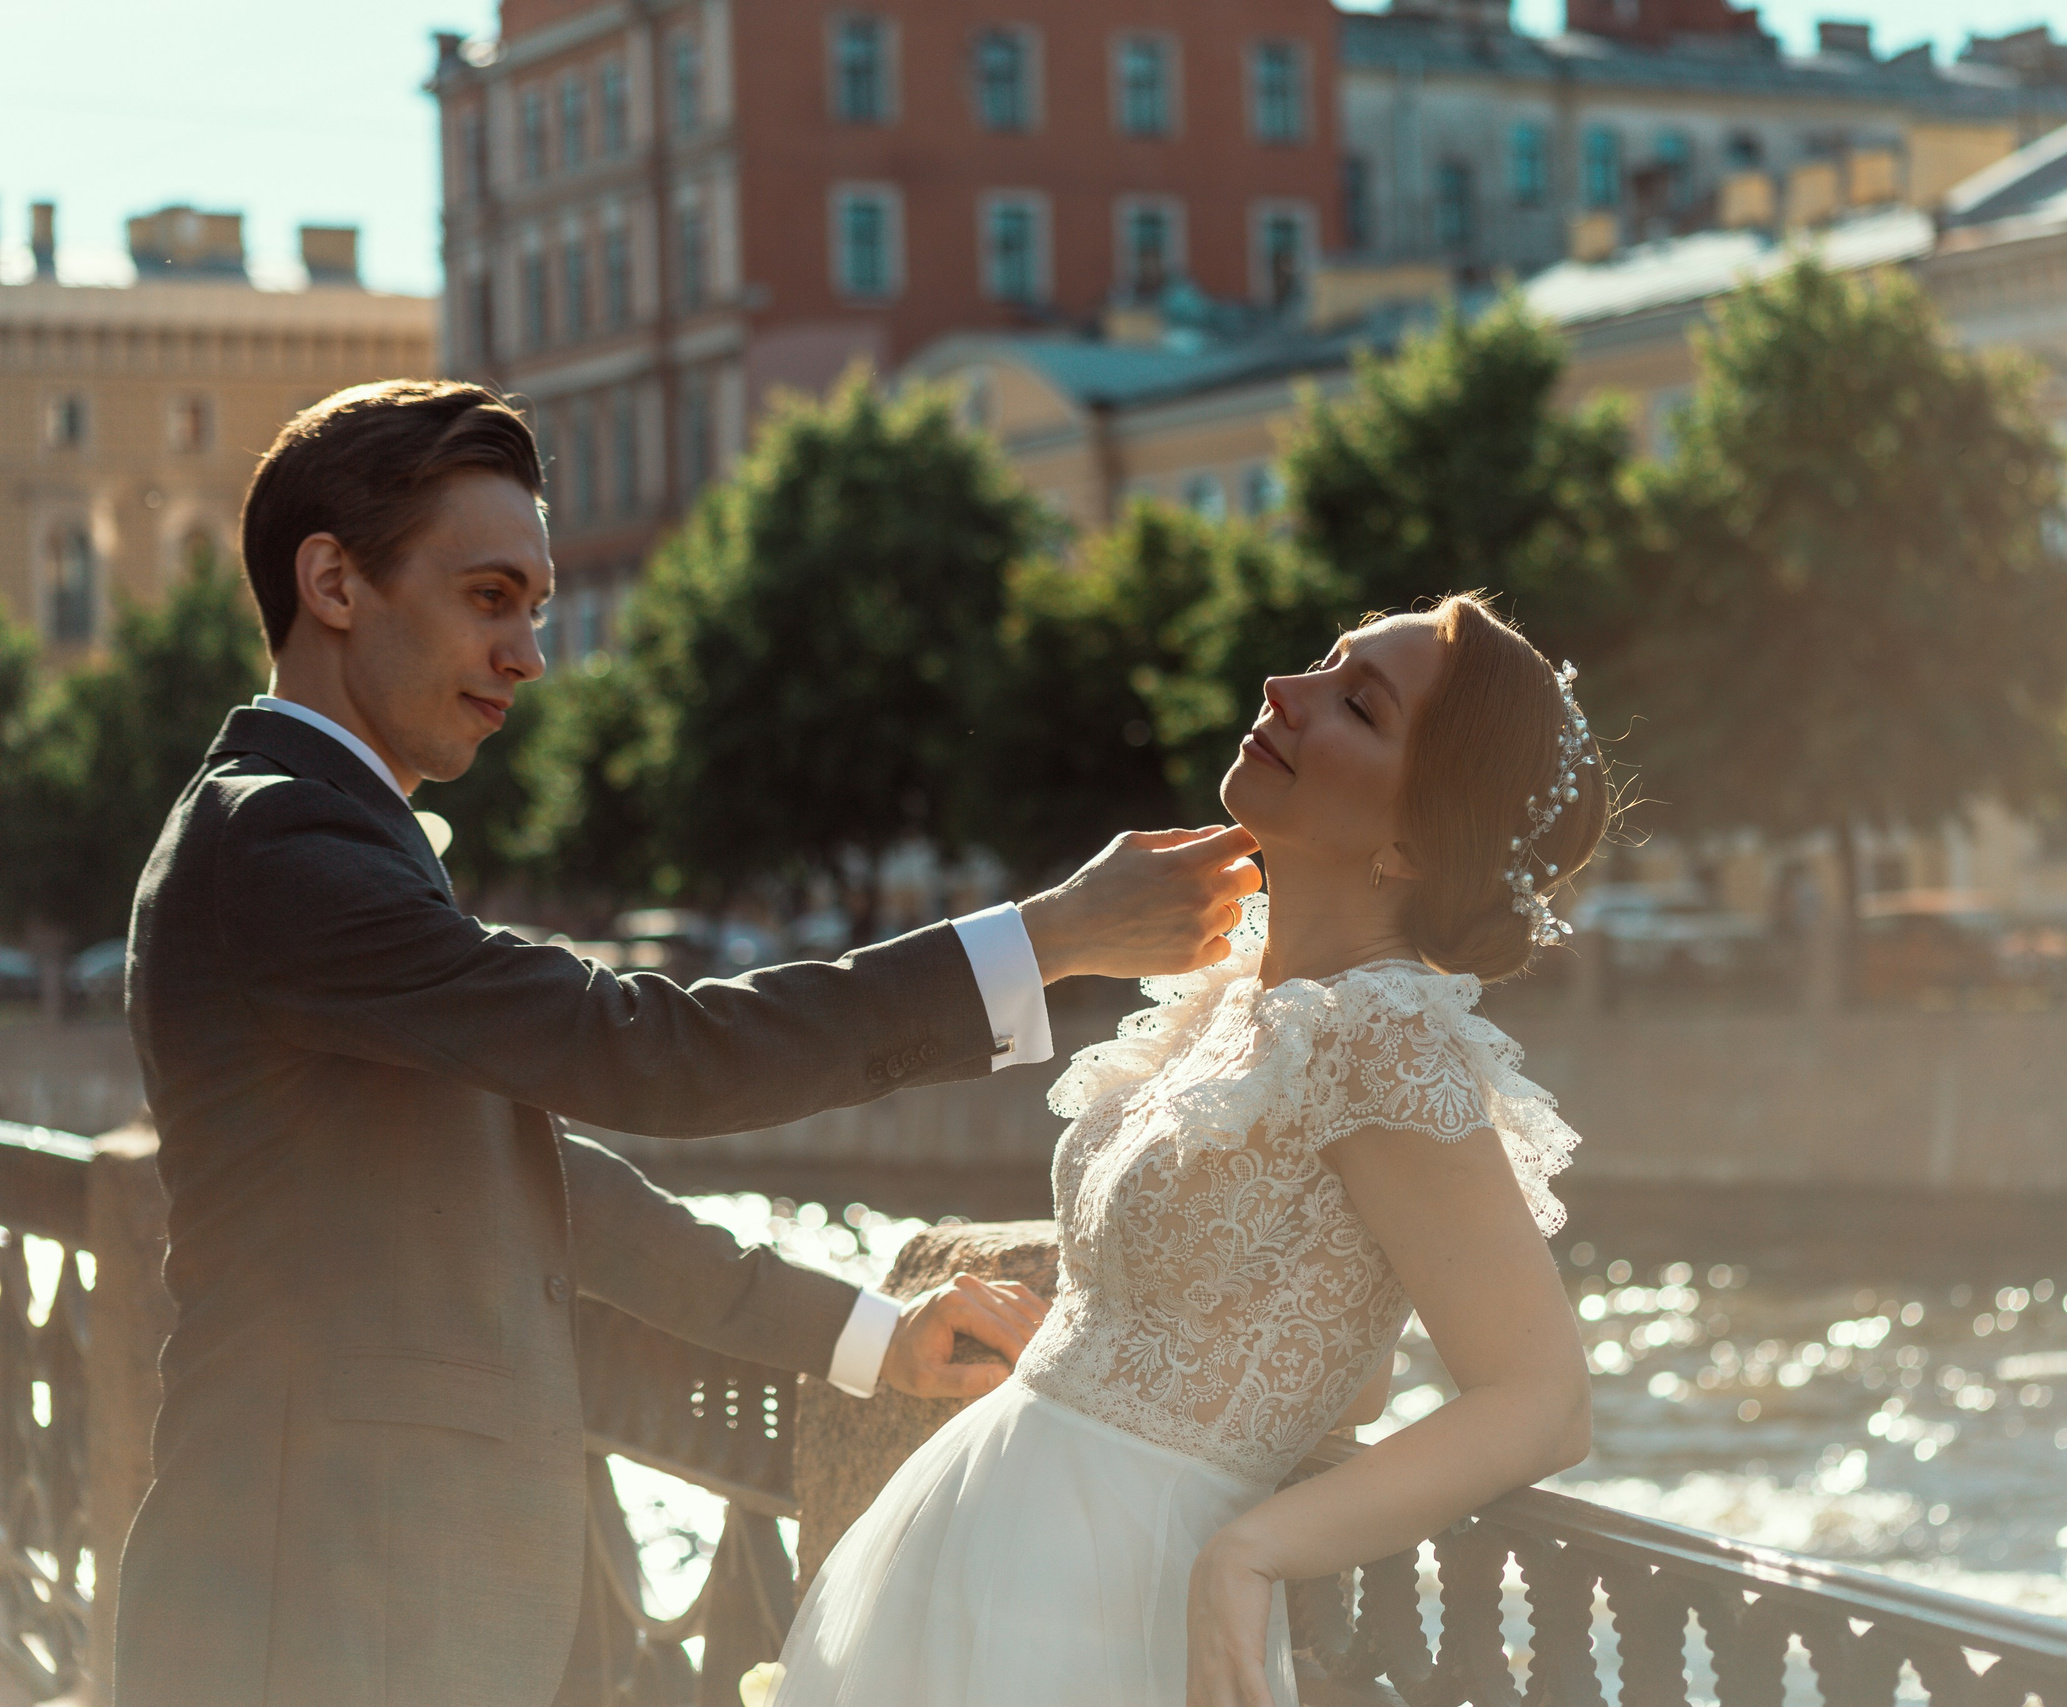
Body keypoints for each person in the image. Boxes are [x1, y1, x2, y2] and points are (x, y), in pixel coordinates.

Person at [115, 380, 1260, 1707]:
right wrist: (1047, 935)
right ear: (334, 581)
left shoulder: (314, 835)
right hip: (312, 1618)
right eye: (490, 595)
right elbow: (654, 1049)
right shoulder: (281, 843)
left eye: (538, 606)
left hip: (370, 1601)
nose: (532, 653)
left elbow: (550, 1193)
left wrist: (868, 1331)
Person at [769, 594, 1606, 1707]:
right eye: (1323, 661)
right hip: (991, 1524)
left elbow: (1543, 1399)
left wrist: (1256, 1549)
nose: (1285, 690)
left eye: (1355, 703)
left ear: (1415, 839)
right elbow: (1338, 1366)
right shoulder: (1238, 996)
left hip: (1121, 1591)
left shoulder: (1384, 1042)